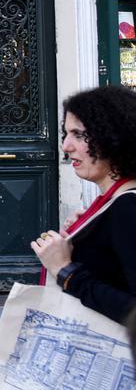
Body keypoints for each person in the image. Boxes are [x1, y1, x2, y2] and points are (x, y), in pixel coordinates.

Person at [31, 85, 136, 325]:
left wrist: (66, 271)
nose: (66, 146)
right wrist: (86, 233)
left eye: (79, 135)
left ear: (113, 137)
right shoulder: (112, 204)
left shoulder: (127, 208)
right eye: (66, 134)